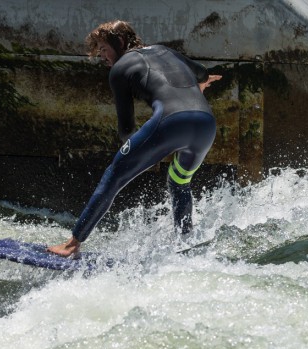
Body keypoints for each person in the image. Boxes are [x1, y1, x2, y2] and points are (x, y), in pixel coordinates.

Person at [48, 20, 222, 257]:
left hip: (170, 122)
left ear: (119, 42)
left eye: (103, 49)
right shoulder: (164, 50)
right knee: (179, 181)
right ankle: (185, 245)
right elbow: (201, 72)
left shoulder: (120, 69)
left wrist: (137, 153)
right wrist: (200, 84)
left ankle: (71, 245)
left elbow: (126, 128)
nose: (102, 56)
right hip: (206, 123)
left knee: (113, 176)